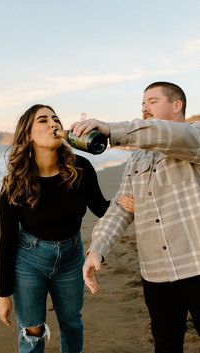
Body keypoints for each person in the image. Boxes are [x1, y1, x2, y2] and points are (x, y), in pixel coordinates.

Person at [70, 82, 200, 353]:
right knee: (166, 344)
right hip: (156, 273)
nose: (144, 107)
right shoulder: (137, 160)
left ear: (177, 106)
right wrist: (97, 250)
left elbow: (167, 136)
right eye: (142, 103)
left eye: (152, 101)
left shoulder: (194, 138)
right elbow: (120, 208)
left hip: (197, 265)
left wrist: (111, 129)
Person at [0, 104, 110, 353]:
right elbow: (7, 240)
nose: (53, 124)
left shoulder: (80, 168)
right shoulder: (15, 182)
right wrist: (3, 294)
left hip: (71, 257)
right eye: (43, 120)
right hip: (29, 260)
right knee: (32, 329)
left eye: (55, 119)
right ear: (28, 134)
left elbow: (103, 209)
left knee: (71, 324)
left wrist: (131, 202)